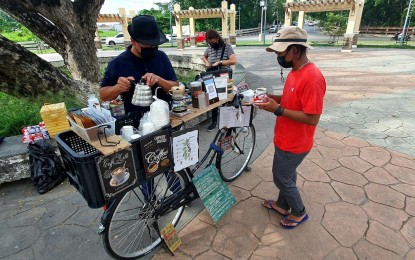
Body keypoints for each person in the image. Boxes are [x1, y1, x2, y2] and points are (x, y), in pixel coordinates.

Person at [255, 26, 326, 229]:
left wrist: (277, 110)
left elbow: (312, 118)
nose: (278, 56)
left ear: (294, 50)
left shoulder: (313, 78)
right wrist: (270, 98)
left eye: (280, 52)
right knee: (287, 175)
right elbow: (290, 101)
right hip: (285, 137)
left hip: (295, 143)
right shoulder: (296, 71)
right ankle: (281, 204)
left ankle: (298, 212)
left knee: (281, 178)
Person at [100, 15, 178, 114]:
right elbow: (103, 95)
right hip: (136, 123)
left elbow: (176, 88)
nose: (152, 47)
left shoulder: (161, 57)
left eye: (154, 44)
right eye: (147, 44)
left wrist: (158, 79)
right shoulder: (118, 63)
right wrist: (118, 87)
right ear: (133, 41)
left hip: (165, 116)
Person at [201, 29, 237, 131]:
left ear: (217, 38)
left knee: (225, 98)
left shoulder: (227, 47)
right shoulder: (209, 48)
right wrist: (207, 62)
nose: (213, 43)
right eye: (210, 42)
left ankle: (228, 121)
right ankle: (214, 121)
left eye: (214, 41)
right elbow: (203, 56)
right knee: (213, 98)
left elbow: (234, 60)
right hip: (211, 76)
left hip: (223, 77)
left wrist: (220, 62)